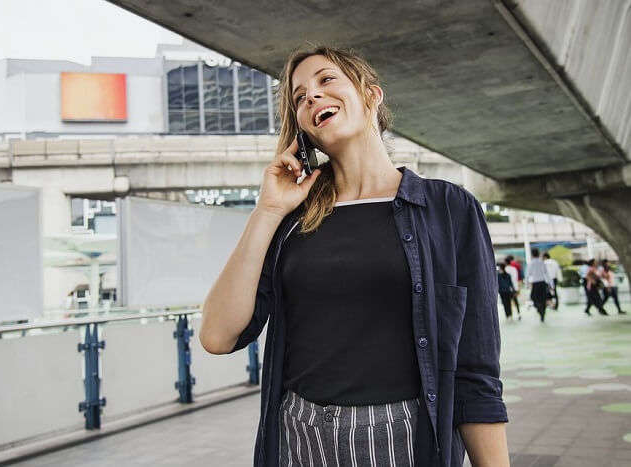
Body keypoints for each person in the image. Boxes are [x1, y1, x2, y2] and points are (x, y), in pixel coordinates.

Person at [200, 45, 508, 466]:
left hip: (400, 436)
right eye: (300, 96)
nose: (311, 96)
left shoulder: (447, 208)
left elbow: (475, 367)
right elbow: (218, 336)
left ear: (371, 95)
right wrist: (268, 210)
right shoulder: (292, 219)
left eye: (327, 80)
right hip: (299, 434)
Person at [526, 248, 553, 322]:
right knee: (543, 299)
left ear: (532, 254)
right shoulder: (542, 262)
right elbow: (546, 273)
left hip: (535, 284)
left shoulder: (531, 263)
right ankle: (542, 312)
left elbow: (527, 275)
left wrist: (527, 284)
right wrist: (550, 284)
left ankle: (539, 309)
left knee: (534, 298)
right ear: (538, 254)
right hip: (542, 283)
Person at [505, 256, 522, 320]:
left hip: (508, 288)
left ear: (506, 262)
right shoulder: (514, 268)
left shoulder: (505, 269)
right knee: (516, 301)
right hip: (515, 287)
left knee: (508, 302)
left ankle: (510, 315)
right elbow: (516, 278)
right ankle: (518, 313)